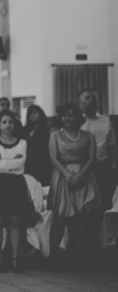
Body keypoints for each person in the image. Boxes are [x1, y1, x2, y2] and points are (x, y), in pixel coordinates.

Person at [48, 103, 99, 270]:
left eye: (71, 115)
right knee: (60, 219)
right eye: (64, 115)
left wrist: (80, 175)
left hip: (83, 178)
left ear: (78, 117)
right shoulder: (55, 135)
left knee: (80, 220)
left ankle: (75, 258)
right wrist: (68, 175)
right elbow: (54, 159)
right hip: (63, 178)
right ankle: (53, 257)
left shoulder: (88, 136)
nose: (67, 118)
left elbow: (91, 158)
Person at [0, 110, 31, 273]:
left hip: (15, 184)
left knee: (15, 222)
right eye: (4, 122)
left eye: (10, 121)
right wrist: (8, 163)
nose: (7, 125)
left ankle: (15, 258)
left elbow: (20, 163)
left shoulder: (22, 143)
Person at [79, 88, 117, 261]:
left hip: (102, 169)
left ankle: (97, 246)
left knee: (101, 208)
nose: (91, 101)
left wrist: (114, 168)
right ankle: (82, 248)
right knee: (85, 208)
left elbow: (112, 146)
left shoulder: (106, 121)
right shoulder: (76, 122)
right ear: (80, 102)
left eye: (93, 98)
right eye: (87, 98)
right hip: (82, 171)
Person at [22, 105, 53, 187]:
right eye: (30, 113)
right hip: (29, 164)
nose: (32, 115)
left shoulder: (47, 128)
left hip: (43, 163)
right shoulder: (25, 129)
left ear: (40, 113)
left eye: (35, 112)